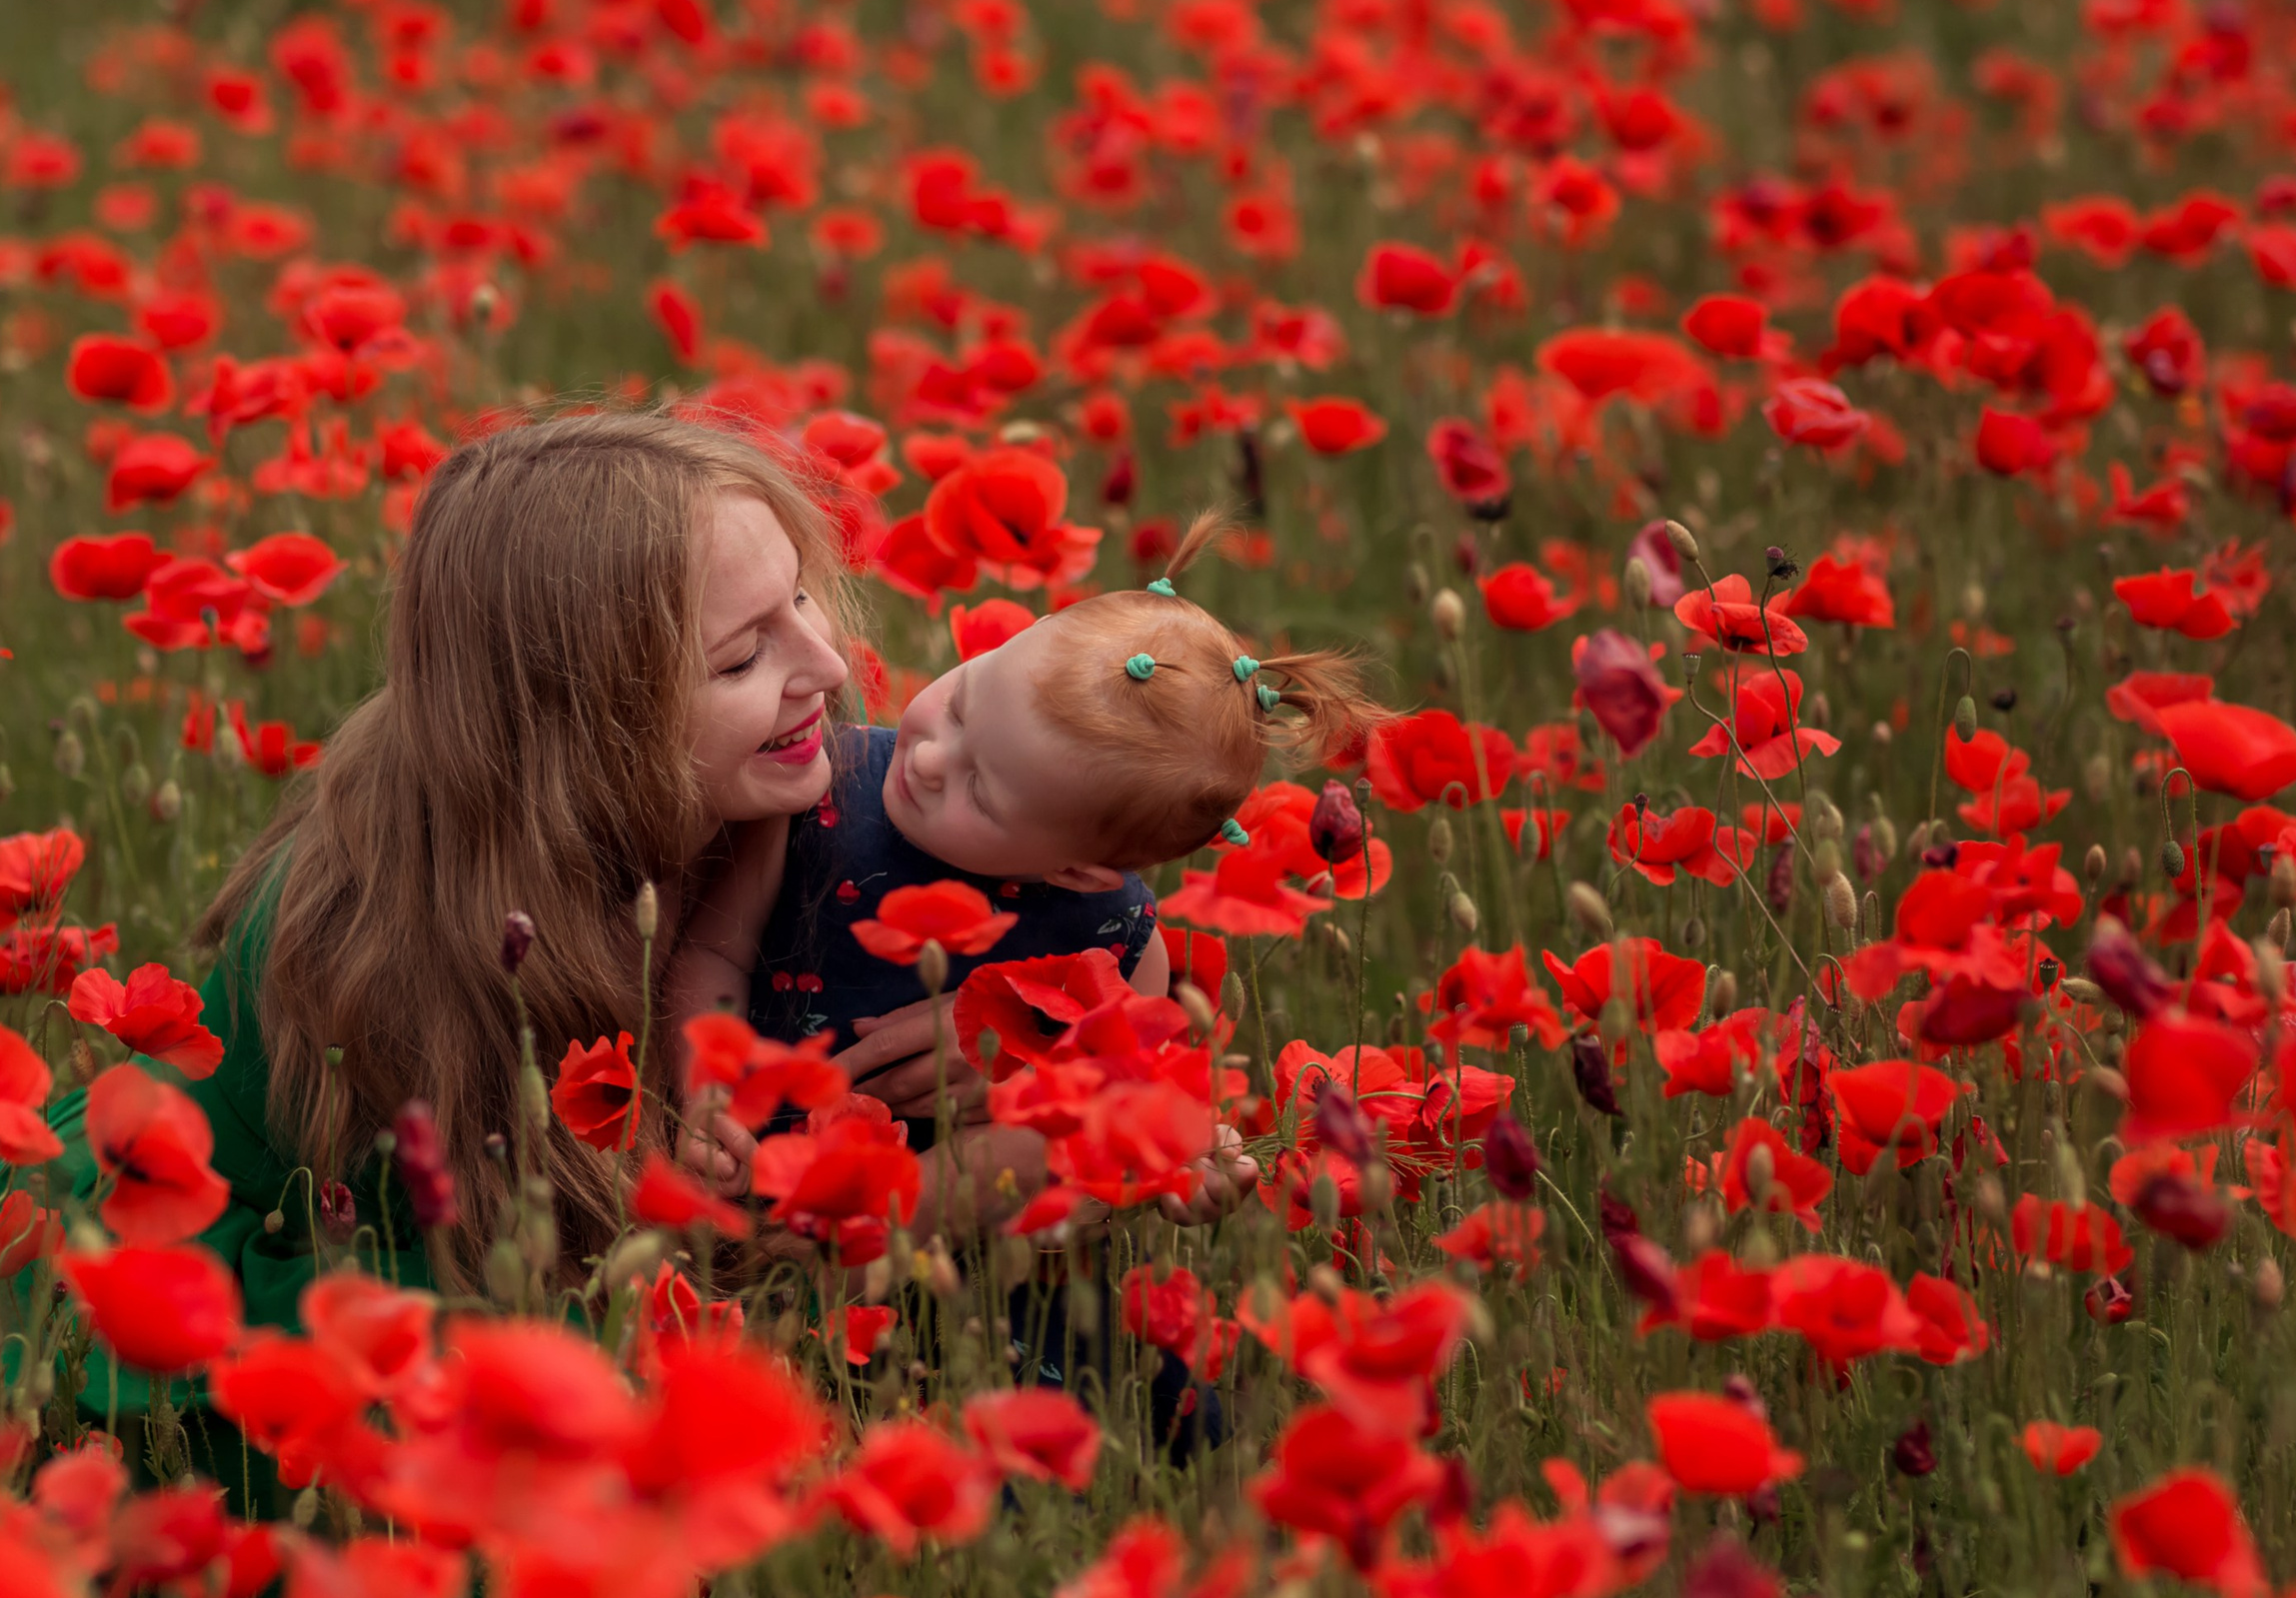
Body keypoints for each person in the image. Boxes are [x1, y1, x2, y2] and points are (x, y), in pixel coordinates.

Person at [38, 408, 871, 1333]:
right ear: (583, 725)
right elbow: (483, 1303)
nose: (829, 665)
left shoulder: (825, 801)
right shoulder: (389, 938)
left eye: (799, 598)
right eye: (744, 657)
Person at [666, 513, 1381, 1178]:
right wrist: (708, 1088)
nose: (930, 759)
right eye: (960, 703)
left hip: (974, 1242)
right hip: (775, 1169)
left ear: (1075, 870)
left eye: (979, 788)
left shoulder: (1114, 945)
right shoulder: (821, 788)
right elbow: (714, 953)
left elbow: (1111, 1096)